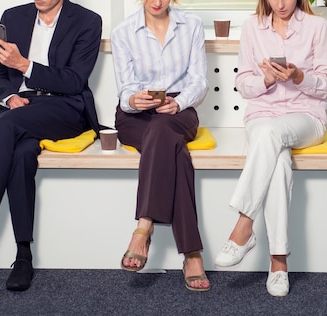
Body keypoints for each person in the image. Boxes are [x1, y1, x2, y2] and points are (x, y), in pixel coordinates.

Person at [0, 0, 101, 291]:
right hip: (23, 107)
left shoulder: (88, 20)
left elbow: (75, 81)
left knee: (7, 124)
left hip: (65, 108)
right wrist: (9, 98)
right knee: (22, 152)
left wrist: (24, 64)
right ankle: (23, 256)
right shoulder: (12, 17)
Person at [213, 0, 327, 297]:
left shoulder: (318, 27)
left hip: (306, 118)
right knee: (277, 159)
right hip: (262, 116)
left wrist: (298, 76)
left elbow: (326, 85)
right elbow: (243, 83)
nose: (281, 4)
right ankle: (279, 263)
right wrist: (266, 78)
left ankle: (244, 225)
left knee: (270, 135)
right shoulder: (252, 27)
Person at [111, 0, 210, 292]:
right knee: (174, 151)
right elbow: (125, 88)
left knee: (163, 128)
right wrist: (133, 100)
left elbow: (199, 80)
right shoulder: (123, 31)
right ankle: (192, 253)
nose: (156, 2)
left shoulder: (191, 25)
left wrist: (178, 102)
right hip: (135, 115)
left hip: (179, 109)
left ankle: (143, 227)